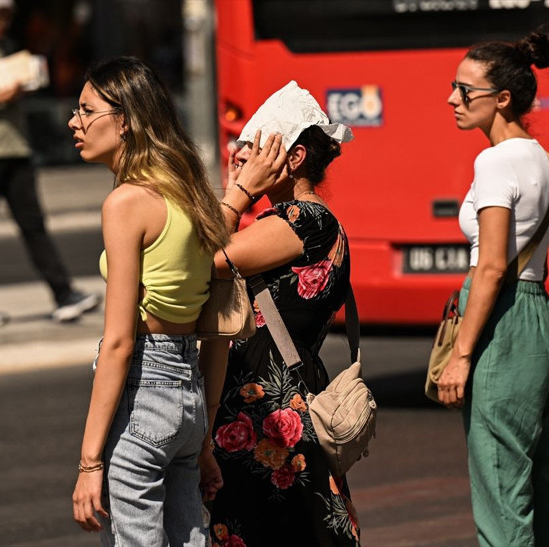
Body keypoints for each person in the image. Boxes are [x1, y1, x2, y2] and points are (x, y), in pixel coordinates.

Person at [68, 57, 229, 546]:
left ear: (126, 120)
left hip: (143, 390)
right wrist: (202, 436)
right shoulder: (190, 194)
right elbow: (213, 325)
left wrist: (89, 463)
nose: (73, 122)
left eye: (86, 110)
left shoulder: (126, 204)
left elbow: (118, 341)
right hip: (187, 393)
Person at [200, 81, 359, 545]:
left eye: (254, 148)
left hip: (271, 419)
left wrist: (238, 193)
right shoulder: (288, 220)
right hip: (262, 412)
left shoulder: (305, 219)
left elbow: (203, 261)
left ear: (293, 159)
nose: (241, 157)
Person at [438, 30, 549, 546]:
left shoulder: (494, 161)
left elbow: (490, 267)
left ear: (503, 99)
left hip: (503, 320)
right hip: (538, 318)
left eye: (465, 90)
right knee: (540, 483)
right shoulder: (543, 160)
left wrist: (462, 356)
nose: (453, 99)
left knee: (500, 490)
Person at [0, 0, 100, 329]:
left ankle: (63, 294)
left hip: (12, 148)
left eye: (6, 14)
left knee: (33, 225)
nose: (2, 21)